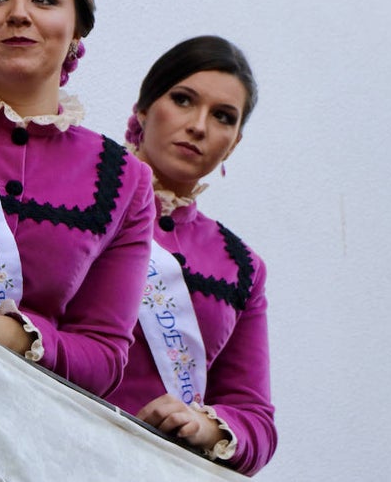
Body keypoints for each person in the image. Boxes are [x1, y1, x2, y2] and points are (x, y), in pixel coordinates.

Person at [0, 0, 155, 398]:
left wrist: (21, 336)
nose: (19, 14)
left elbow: (104, 357)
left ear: (77, 28)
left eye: (44, 0)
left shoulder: (124, 181)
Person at [107, 36, 276, 475]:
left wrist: (207, 426)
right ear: (143, 109)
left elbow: (255, 420)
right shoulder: (83, 196)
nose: (199, 126)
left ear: (234, 143)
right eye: (183, 100)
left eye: (223, 117)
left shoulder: (242, 267)